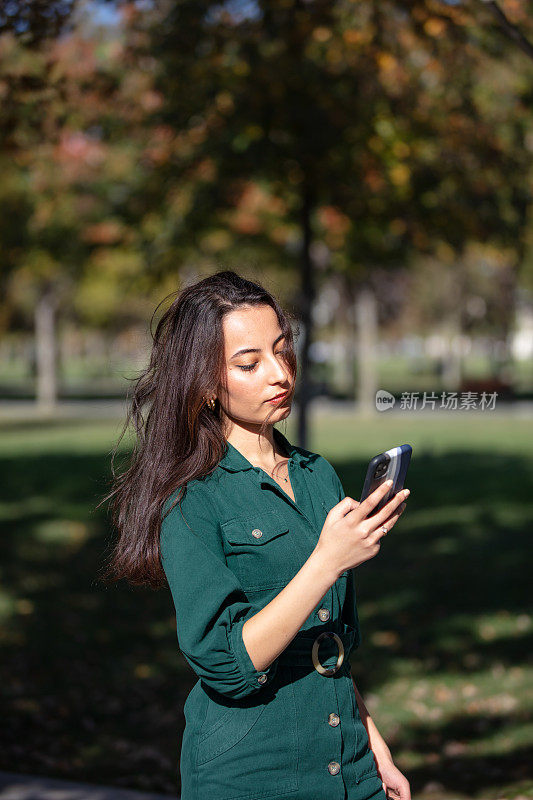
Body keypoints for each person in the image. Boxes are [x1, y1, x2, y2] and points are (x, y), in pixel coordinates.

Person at [102, 270, 411, 800]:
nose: (280, 374)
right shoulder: (192, 500)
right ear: (204, 385)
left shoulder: (318, 476)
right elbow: (226, 662)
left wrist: (376, 747)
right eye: (249, 363)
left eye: (282, 351)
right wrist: (326, 562)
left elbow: (329, 640)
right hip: (253, 773)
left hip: (349, 761)